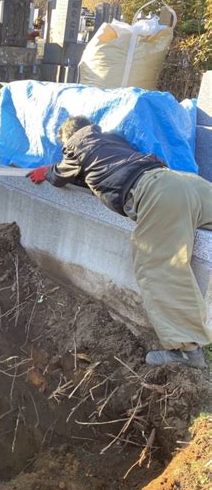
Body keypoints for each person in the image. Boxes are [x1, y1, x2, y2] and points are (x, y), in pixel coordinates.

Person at [27, 116, 212, 369]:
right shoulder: (111, 139)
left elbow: (61, 176)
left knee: (158, 266)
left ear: (68, 137)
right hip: (184, 182)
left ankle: (187, 351)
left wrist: (48, 172)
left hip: (157, 194)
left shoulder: (76, 145)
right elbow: (100, 173)